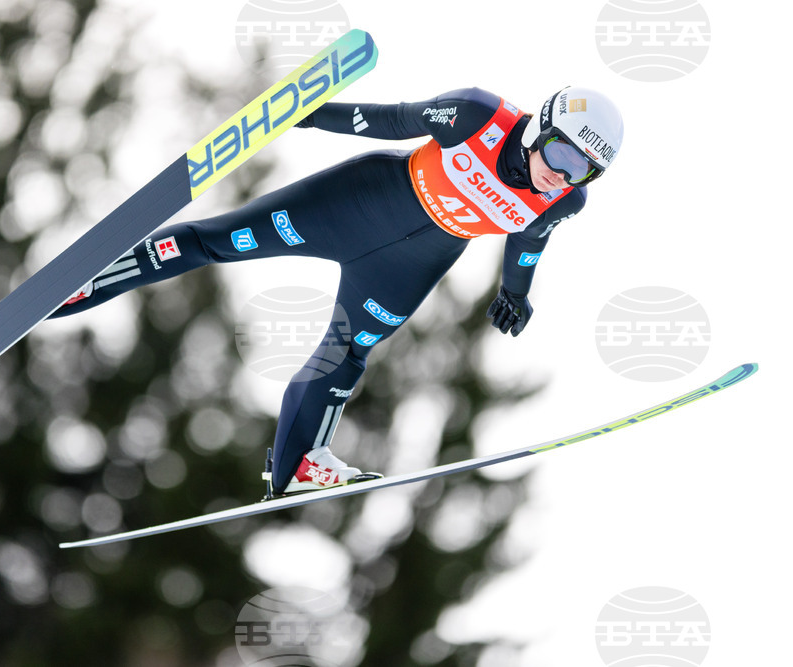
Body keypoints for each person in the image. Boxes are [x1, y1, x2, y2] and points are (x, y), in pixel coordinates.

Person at [49, 85, 625, 495]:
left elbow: (529, 240)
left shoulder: (564, 199)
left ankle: (297, 462)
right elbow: (388, 119)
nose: (562, 173)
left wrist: (515, 291)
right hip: (358, 203)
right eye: (560, 153)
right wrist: (304, 113)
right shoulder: (478, 115)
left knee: (349, 350)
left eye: (583, 170)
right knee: (216, 242)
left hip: (411, 262)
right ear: (539, 127)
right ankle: (82, 285)